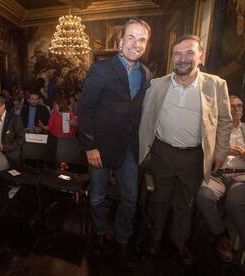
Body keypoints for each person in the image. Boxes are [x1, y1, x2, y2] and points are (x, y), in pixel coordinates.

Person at [138, 35, 232, 265]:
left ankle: (180, 244)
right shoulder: (157, 85)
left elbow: (224, 121)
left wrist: (220, 152)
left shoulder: (216, 85)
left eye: (189, 53)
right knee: (160, 200)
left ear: (201, 56)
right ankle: (155, 239)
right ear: (171, 58)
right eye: (177, 53)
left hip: (194, 157)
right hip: (162, 153)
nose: (183, 59)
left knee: (184, 204)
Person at [78, 18, 152, 268]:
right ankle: (99, 234)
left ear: (146, 45)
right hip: (99, 148)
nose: (136, 44)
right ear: (121, 42)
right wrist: (89, 146)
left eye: (142, 39)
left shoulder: (146, 74)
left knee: (130, 199)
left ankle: (122, 238)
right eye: (131, 37)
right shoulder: (101, 69)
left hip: (129, 149)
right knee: (98, 198)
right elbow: (84, 110)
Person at [196, 95, 245, 276]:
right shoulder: (212, 130)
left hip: (243, 177)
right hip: (217, 176)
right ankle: (222, 235)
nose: (237, 109)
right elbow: (199, 155)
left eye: (240, 106)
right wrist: (219, 151)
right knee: (203, 196)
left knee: (235, 204)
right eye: (232, 106)